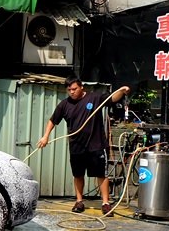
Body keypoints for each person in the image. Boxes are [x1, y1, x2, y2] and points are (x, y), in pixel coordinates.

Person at [36, 76, 130, 216]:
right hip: (76, 146)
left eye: (74, 89)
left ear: (81, 87)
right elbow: (52, 120)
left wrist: (122, 91)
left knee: (101, 174)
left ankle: (105, 203)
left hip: (96, 145)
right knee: (78, 174)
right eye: (69, 90)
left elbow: (112, 99)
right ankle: (79, 201)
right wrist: (45, 136)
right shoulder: (64, 105)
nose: (72, 92)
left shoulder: (94, 98)